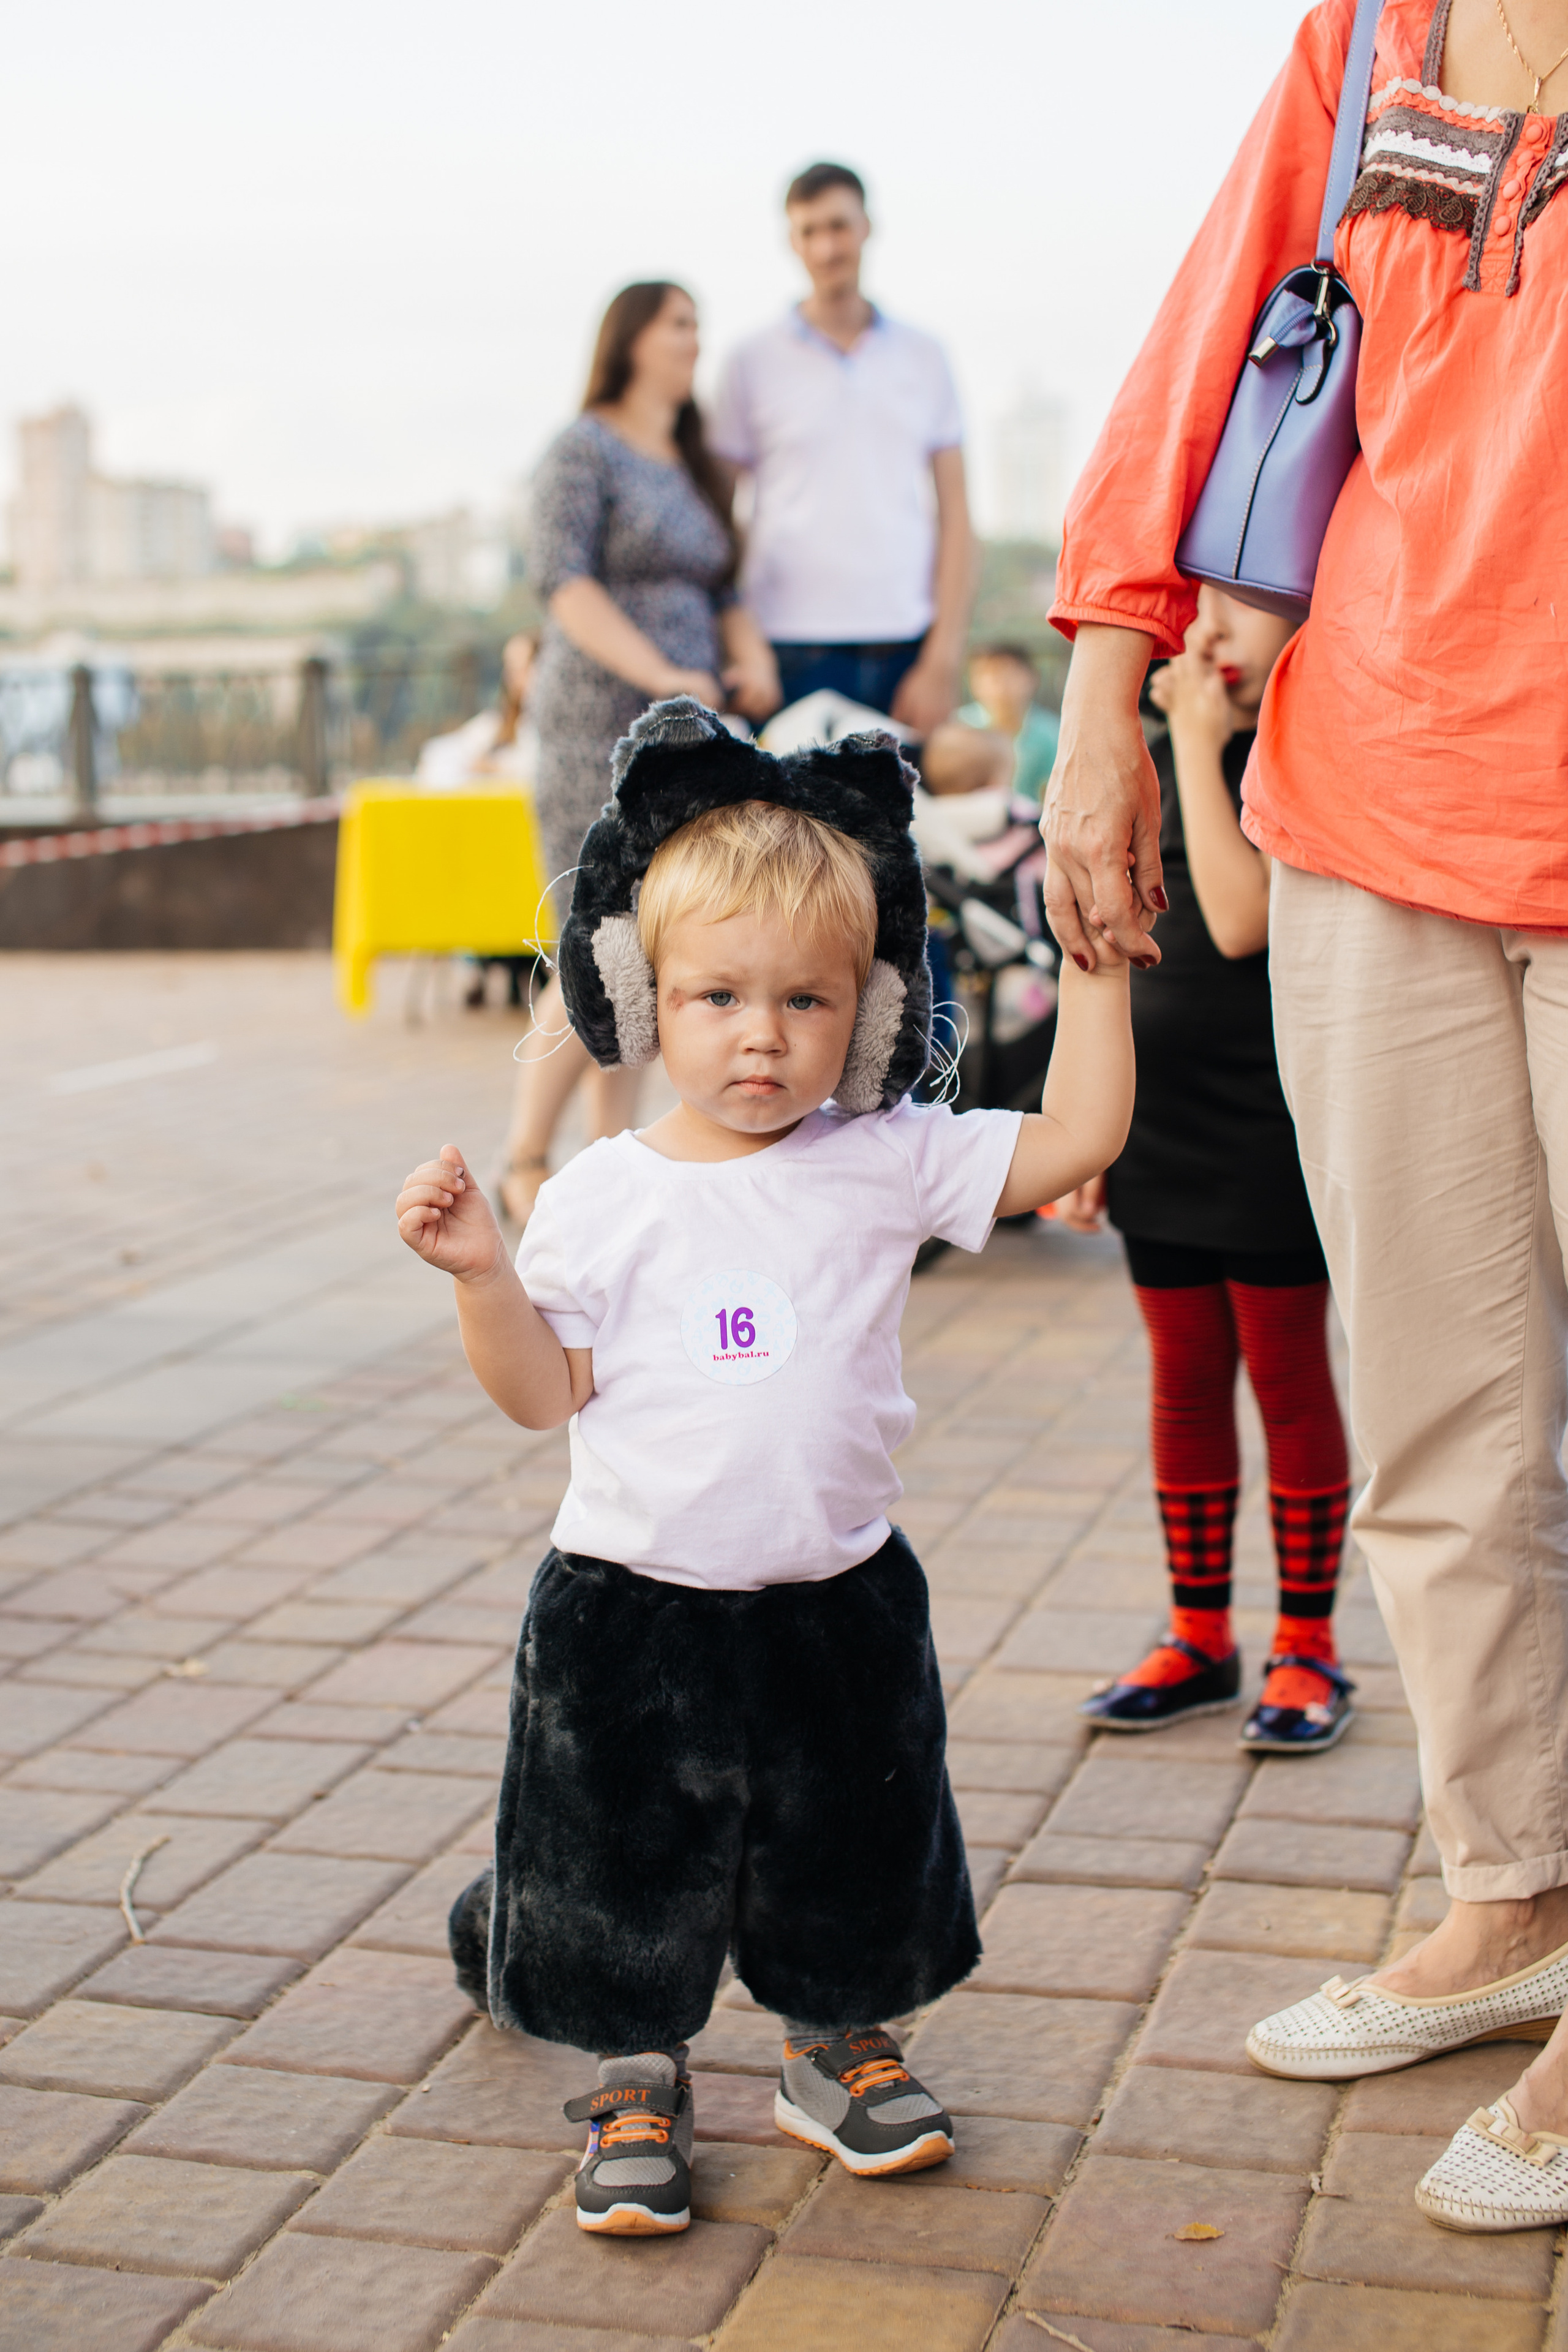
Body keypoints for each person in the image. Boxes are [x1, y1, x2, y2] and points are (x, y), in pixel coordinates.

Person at [1044, 0, 1568, 2234]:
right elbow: (1209, 353)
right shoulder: (1369, 32)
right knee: (1437, 1409)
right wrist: (1097, 707)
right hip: (1362, 797)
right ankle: (1514, 1895)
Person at [394, 700, 1134, 2237]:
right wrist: (484, 1273)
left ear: (864, 1011)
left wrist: (1094, 968)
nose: (759, 1033)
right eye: (716, 994)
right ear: (640, 997)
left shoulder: (888, 1154)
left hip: (837, 1595)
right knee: (617, 1864)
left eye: (803, 1000)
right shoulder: (604, 1192)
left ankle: (832, 2045)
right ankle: (628, 2070)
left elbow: (1074, 1135)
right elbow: (543, 1395)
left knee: (853, 1851)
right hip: (629, 1604)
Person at [1057, 588, 1351, 1753]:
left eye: (1245, 612)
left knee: (1286, 1381)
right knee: (1183, 1378)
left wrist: (1191, 740)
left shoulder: (1293, 744)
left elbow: (1239, 922)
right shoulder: (1130, 754)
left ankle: (1309, 1648)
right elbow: (1096, 933)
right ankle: (1200, 1635)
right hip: (1161, 1123)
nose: (1210, 639)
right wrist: (1081, 1126)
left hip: (1268, 1126)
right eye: (1198, 616)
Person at [499, 282, 780, 1224]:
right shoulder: (583, 450)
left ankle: (602, 1163)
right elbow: (564, 586)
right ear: (629, 341)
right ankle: (524, 1158)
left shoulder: (696, 459)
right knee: (598, 945)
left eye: (700, 325)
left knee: (649, 957)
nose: (695, 342)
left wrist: (745, 657)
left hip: (690, 733)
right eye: (678, 325)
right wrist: (662, 668)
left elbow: (725, 586)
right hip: (599, 725)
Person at [709, 162, 975, 734]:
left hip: (902, 648)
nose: (827, 246)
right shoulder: (748, 361)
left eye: (838, 226)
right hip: (784, 648)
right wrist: (742, 644)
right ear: (791, 242)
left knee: (900, 825)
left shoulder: (925, 356)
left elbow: (956, 515)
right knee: (789, 825)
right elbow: (714, 520)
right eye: (810, 231)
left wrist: (941, 659)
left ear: (867, 228)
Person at [415, 632, 539, 789]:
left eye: (523, 667)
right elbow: (436, 754)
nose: (512, 677)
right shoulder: (497, 724)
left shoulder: (554, 728)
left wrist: (495, 769)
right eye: (509, 667)